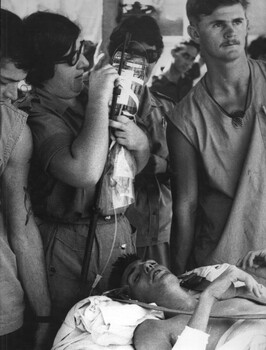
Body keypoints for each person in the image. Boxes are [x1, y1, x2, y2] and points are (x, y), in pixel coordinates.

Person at [19, 11, 150, 328]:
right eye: (71, 60)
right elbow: (85, 173)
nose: (84, 66)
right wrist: (98, 102)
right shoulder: (36, 113)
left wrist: (141, 144)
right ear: (41, 66)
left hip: (117, 233)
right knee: (74, 331)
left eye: (85, 55)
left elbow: (124, 172)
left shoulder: (78, 98)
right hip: (69, 245)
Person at [167, 0, 266, 282]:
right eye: (218, 24)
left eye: (237, 21)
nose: (230, 32)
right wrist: (179, 275)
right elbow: (185, 205)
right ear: (195, 33)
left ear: (247, 24)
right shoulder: (184, 118)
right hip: (222, 268)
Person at [52, 254, 266, 350]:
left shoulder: (234, 291)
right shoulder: (153, 330)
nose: (147, 268)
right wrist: (208, 298)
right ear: (130, 298)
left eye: (151, 263)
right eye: (136, 276)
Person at [0, 9, 51, 350]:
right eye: (3, 81)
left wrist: (44, 315)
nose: (11, 93)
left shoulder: (13, 130)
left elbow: (23, 229)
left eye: (17, 83)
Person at [108, 15, 175, 268]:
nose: (145, 64)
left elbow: (186, 172)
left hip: (160, 230)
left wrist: (161, 164)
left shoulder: (167, 108)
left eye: (153, 56)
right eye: (137, 53)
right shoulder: (95, 103)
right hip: (115, 228)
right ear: (116, 53)